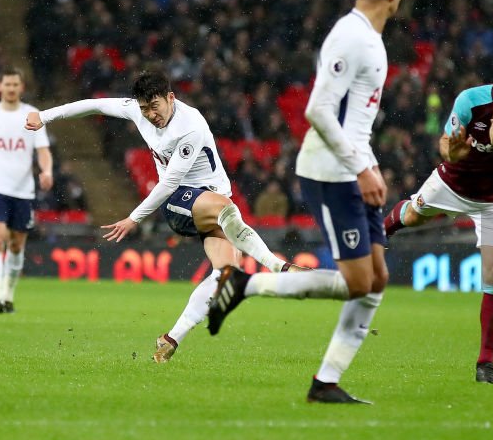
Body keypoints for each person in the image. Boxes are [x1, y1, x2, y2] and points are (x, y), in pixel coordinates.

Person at [207, 0, 406, 403]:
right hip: (331, 174)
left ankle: (327, 382)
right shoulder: (351, 36)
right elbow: (317, 109)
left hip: (353, 169)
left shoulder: (368, 38)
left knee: (376, 280)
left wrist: (369, 163)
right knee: (359, 282)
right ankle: (244, 284)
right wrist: (360, 167)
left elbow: (352, 119)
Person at [25, 70, 301, 362]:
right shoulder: (138, 111)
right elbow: (95, 105)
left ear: (171, 98)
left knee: (227, 276)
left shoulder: (190, 126)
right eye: (144, 108)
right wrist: (45, 115)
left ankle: (171, 339)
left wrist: (134, 217)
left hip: (205, 202)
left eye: (154, 106)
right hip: (179, 202)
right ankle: (279, 267)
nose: (150, 114)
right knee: (224, 209)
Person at [384, 46, 493, 384]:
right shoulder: (470, 100)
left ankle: (486, 365)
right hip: (453, 184)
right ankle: (385, 227)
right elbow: (445, 145)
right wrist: (454, 151)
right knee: (414, 216)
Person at [0, 67, 53, 313]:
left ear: (21, 87)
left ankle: (8, 295)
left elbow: (42, 150)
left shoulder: (32, 115)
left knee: (16, 246)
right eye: (7, 84)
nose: (11, 88)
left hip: (23, 190)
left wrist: (47, 171)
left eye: (15, 84)